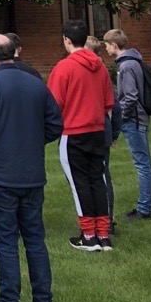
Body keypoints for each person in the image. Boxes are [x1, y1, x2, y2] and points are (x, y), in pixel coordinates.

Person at [0, 34, 63, 302]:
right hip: (31, 174)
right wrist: (31, 139)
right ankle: (43, 301)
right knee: (35, 239)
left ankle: (9, 301)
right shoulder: (36, 84)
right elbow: (55, 125)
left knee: (7, 242)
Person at [47, 19, 115, 252]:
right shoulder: (101, 65)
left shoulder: (63, 68)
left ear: (67, 40)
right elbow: (108, 102)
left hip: (73, 132)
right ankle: (103, 235)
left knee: (80, 184)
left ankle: (88, 235)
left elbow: (54, 104)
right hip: (97, 130)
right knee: (99, 180)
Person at [103, 28, 151, 221]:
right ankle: (147, 205)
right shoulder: (135, 61)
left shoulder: (126, 66)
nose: (106, 49)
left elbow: (130, 96)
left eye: (107, 45)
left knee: (142, 163)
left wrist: (122, 118)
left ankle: (145, 208)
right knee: (144, 163)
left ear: (114, 45)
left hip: (134, 119)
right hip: (140, 118)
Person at [85, 36, 122, 230]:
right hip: (102, 129)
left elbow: (115, 107)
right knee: (102, 175)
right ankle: (104, 221)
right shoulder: (103, 70)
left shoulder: (92, 71)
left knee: (93, 177)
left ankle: (98, 222)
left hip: (88, 129)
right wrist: (114, 133)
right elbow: (115, 107)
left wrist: (115, 132)